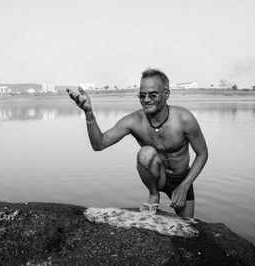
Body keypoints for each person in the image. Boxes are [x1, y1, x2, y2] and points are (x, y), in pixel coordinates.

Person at [67, 68, 208, 218]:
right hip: (157, 178)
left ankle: (179, 191)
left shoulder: (184, 119)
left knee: (187, 226)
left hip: (181, 178)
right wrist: (88, 112)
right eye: (142, 95)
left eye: (153, 95)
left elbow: (202, 154)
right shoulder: (133, 121)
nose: (146, 100)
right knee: (146, 152)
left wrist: (185, 186)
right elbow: (99, 144)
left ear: (166, 94)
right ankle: (154, 194)